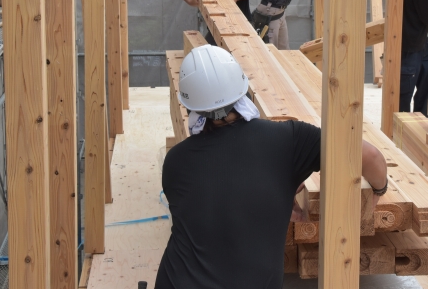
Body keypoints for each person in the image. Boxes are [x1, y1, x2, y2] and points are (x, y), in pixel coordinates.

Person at [155, 45, 388, 288]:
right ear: (242, 89)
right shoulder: (289, 140)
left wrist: (277, 192)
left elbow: (219, 205)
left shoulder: (176, 161)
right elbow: (370, 156)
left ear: (191, 107)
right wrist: (378, 192)